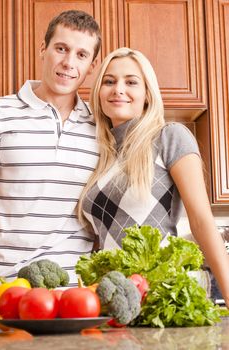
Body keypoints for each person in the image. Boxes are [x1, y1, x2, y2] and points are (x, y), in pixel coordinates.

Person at [0, 10, 101, 293]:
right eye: (61, 48)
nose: (68, 63)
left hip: (75, 300)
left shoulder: (101, 127)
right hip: (2, 294)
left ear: (93, 65)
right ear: (43, 49)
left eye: (81, 55)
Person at [77, 47, 229, 308]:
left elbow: (202, 222)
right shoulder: (98, 153)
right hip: (109, 304)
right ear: (98, 92)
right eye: (109, 81)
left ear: (147, 94)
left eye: (131, 82)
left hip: (160, 297)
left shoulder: (170, 137)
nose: (118, 89)